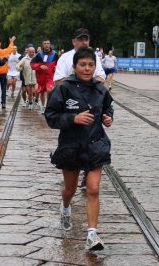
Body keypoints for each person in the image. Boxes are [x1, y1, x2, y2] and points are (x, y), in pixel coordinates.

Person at [45, 46, 114, 250]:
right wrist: (73, 118)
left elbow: (108, 107)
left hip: (95, 145)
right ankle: (65, 207)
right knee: (70, 189)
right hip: (71, 146)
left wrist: (108, 118)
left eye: (91, 65)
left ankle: (92, 234)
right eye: (82, 65)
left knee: (93, 189)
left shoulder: (100, 89)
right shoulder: (64, 89)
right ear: (74, 67)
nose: (87, 69)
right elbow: (51, 117)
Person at [54, 28, 106, 188]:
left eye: (86, 39)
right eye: (81, 39)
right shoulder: (65, 58)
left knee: (91, 140)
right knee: (74, 141)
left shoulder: (94, 57)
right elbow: (58, 81)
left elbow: (101, 78)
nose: (84, 42)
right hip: (71, 107)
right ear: (73, 41)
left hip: (90, 106)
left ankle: (87, 172)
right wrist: (76, 86)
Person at [30, 38, 59, 114]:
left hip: (50, 77)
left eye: (48, 43)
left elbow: (59, 63)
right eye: (45, 43)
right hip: (41, 77)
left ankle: (48, 106)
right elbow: (32, 64)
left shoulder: (55, 54)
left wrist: (56, 67)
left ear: (50, 44)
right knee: (42, 92)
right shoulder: (39, 55)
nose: (46, 45)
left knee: (49, 90)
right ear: (43, 45)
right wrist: (40, 66)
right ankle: (43, 107)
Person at [0, 36, 16, 109]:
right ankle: (3, 103)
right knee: (3, 88)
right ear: (0, 46)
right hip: (3, 73)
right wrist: (11, 41)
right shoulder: (3, 51)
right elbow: (10, 49)